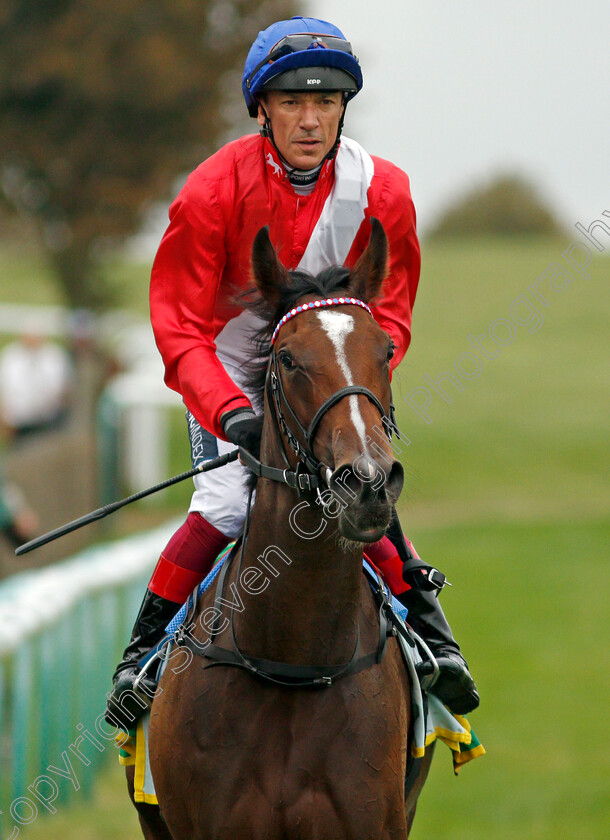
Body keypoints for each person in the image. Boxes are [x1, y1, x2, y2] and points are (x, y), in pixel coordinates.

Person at [106, 16, 479, 729]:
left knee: (363, 481)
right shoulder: (212, 191)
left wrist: (361, 382)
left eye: (327, 103)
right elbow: (178, 325)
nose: (311, 121)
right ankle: (142, 658)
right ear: (261, 110)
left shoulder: (384, 192)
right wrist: (231, 414)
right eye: (292, 103)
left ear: (344, 109)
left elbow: (392, 309)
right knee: (222, 503)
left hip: (332, 369)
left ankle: (437, 644)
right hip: (231, 369)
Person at [0, 322, 72, 442]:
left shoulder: (54, 357)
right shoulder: (10, 357)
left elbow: (64, 388)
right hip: (19, 421)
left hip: (48, 420)